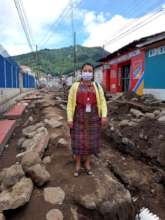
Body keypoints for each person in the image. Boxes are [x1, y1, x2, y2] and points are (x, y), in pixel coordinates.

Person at [67, 63, 107, 177]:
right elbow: (70, 104)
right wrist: (69, 118)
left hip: (94, 118)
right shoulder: (75, 86)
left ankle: (88, 162)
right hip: (78, 117)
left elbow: (103, 101)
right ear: (81, 72)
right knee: (78, 141)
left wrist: (104, 115)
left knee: (91, 141)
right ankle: (78, 163)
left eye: (90, 71)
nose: (87, 73)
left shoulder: (97, 86)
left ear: (93, 73)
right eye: (85, 70)